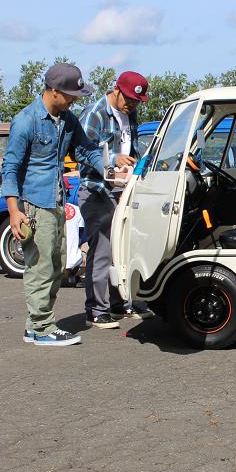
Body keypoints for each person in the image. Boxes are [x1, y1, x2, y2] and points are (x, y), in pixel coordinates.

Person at [0, 62, 121, 347]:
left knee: (57, 266)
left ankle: (34, 327)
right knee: (41, 267)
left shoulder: (67, 120)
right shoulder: (26, 121)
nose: (74, 100)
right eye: (70, 95)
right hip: (34, 205)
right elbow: (10, 167)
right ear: (54, 91)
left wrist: (109, 170)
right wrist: (14, 211)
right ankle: (43, 328)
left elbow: (86, 150)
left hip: (56, 201)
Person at [78, 71, 153, 329]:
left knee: (121, 250)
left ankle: (119, 304)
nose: (132, 104)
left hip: (122, 190)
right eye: (129, 99)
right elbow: (81, 151)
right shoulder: (95, 113)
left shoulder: (130, 114)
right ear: (116, 90)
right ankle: (96, 310)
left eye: (136, 101)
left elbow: (131, 146)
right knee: (102, 250)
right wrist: (112, 159)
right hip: (97, 191)